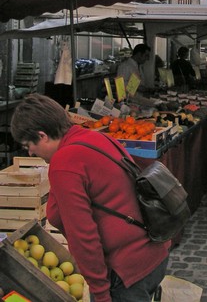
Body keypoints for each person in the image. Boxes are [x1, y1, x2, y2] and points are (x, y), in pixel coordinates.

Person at [10, 94, 170, 302]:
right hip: (152, 254)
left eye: (28, 145)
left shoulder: (65, 163)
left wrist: (100, 293)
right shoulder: (96, 137)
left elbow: (83, 236)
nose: (30, 153)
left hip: (124, 275)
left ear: (42, 136)